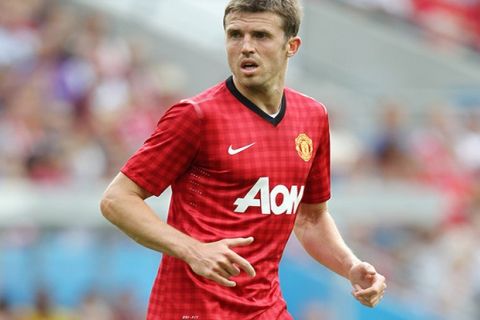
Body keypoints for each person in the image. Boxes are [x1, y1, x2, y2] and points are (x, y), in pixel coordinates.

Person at [100, 0, 386, 319]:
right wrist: (192, 249)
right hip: (192, 309)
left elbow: (311, 218)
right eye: (235, 35)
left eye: (261, 36)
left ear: (291, 46)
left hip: (266, 309)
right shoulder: (197, 116)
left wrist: (350, 266)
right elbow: (117, 199)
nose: (246, 47)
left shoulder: (312, 117)